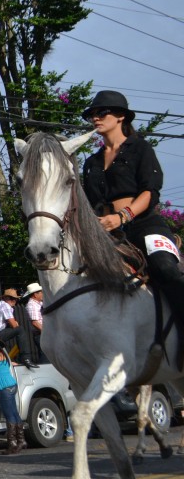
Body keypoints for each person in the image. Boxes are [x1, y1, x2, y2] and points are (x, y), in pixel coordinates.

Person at [81, 90, 184, 312]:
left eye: (102, 112)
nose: (95, 118)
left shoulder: (141, 148)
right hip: (105, 234)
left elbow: (150, 191)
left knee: (165, 269)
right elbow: (88, 203)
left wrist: (122, 217)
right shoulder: (91, 162)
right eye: (92, 115)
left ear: (121, 116)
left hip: (144, 225)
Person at [0, 288, 38, 369]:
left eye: (15, 299)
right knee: (20, 330)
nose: (14, 301)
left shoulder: (0, 305)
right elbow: (14, 325)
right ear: (5, 298)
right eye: (11, 298)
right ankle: (26, 358)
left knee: (13, 330)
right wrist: (15, 323)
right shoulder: (5, 306)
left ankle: (11, 359)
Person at [22, 282, 46, 364]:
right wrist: (47, 332)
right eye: (41, 292)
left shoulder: (38, 303)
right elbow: (35, 322)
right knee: (46, 356)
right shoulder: (32, 305)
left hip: (42, 333)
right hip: (41, 334)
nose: (43, 293)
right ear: (35, 294)